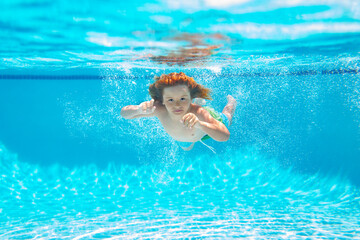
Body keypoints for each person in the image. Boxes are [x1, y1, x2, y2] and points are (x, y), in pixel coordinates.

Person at [120, 72, 236, 152]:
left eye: (182, 99)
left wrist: (200, 124)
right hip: (189, 134)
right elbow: (124, 114)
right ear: (162, 100)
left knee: (227, 117)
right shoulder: (159, 109)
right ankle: (194, 101)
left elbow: (225, 136)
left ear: (190, 98)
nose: (176, 105)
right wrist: (138, 110)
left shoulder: (200, 113)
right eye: (170, 100)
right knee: (187, 146)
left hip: (206, 129)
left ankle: (231, 103)